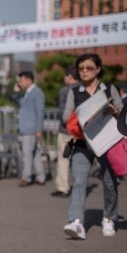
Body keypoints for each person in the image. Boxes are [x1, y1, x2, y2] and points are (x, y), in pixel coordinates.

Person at [62, 52, 122, 240]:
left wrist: (114, 111)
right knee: (79, 183)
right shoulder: (74, 92)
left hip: (106, 143)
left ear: (98, 69)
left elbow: (122, 114)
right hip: (82, 144)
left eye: (89, 68)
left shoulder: (109, 89)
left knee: (109, 183)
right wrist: (79, 116)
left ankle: (109, 218)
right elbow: (65, 117)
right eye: (81, 69)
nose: (85, 71)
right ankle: (76, 222)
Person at [14, 70, 46, 187]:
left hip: (31, 129)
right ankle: (40, 176)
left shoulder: (37, 92)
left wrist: (39, 129)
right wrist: (16, 92)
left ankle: (26, 177)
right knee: (35, 154)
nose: (20, 83)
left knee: (27, 154)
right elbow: (18, 102)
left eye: (21, 80)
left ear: (28, 80)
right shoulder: (27, 92)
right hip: (27, 128)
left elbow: (40, 112)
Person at [52, 68, 77, 198]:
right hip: (82, 131)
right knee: (80, 161)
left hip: (66, 130)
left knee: (63, 159)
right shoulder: (85, 88)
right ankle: (79, 187)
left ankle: (63, 187)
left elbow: (63, 113)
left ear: (69, 77)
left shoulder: (65, 90)